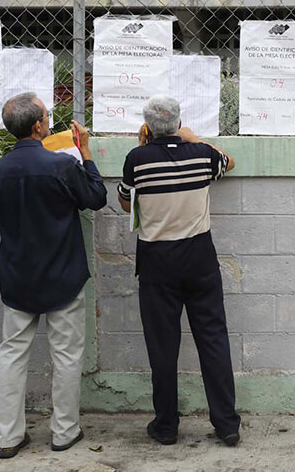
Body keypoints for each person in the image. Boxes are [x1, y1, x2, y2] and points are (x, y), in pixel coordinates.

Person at [0, 93, 107, 459]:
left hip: (18, 275)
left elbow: (0, 217)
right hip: (62, 275)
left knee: (11, 354)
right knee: (66, 355)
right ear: (38, 125)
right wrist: (85, 152)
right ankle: (64, 431)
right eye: (46, 117)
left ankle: (7, 435)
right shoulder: (60, 166)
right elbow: (96, 198)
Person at [117, 95, 240, 446]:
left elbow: (125, 200)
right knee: (213, 339)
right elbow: (229, 162)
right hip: (200, 259)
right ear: (178, 122)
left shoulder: (136, 159)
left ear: (146, 127)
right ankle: (227, 423)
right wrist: (193, 138)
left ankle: (167, 425)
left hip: (157, 263)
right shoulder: (201, 155)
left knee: (162, 346)